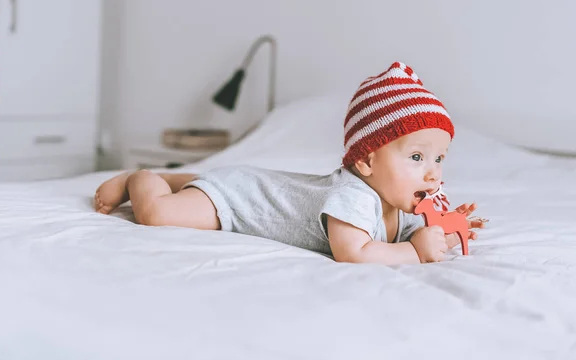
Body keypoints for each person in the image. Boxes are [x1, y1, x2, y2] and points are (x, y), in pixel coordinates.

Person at [94, 61, 486, 264]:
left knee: (222, 181)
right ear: (366, 162)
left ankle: (187, 179)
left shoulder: (403, 202)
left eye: (439, 158)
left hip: (251, 182)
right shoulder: (354, 196)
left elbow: (420, 233)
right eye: (417, 157)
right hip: (238, 199)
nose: (433, 172)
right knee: (158, 214)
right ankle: (143, 177)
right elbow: (357, 254)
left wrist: (450, 231)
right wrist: (416, 252)